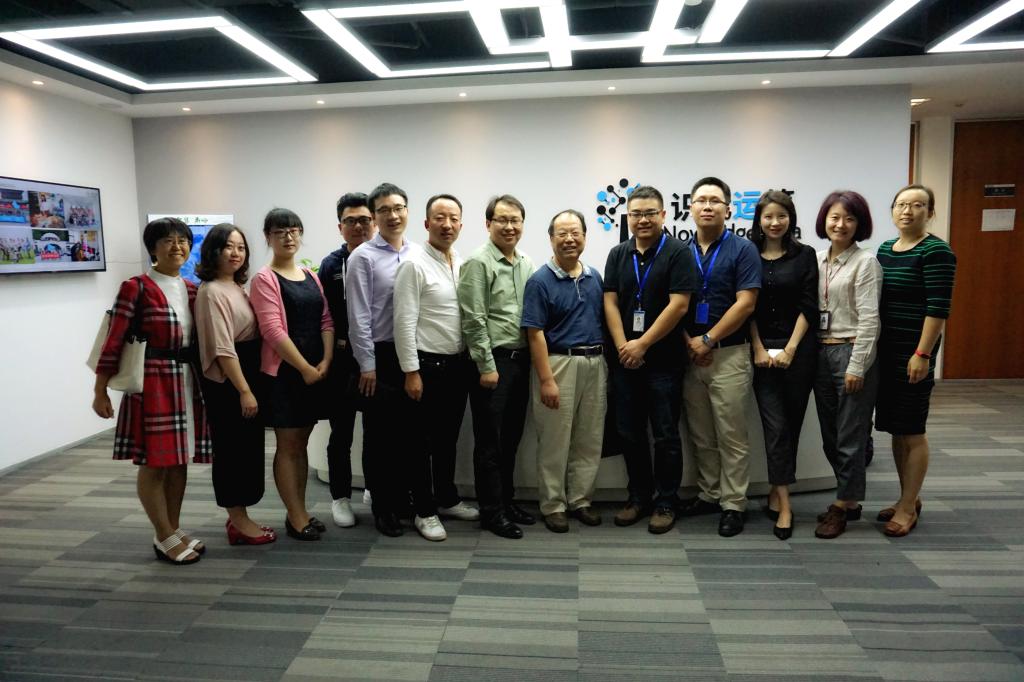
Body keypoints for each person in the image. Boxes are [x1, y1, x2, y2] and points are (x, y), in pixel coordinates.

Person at [92, 217, 211, 564]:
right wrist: (100, 390)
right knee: (155, 462)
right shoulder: (136, 287)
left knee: (179, 460)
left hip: (186, 380)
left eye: (183, 240)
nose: (177, 247)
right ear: (152, 248)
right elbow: (113, 340)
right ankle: (163, 533)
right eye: (168, 240)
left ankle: (172, 529)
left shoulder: (192, 289)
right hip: (153, 382)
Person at [603, 185, 697, 534]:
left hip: (664, 362)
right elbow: (610, 302)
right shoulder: (618, 253)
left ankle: (666, 501)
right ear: (628, 217)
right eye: (635, 214)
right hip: (625, 361)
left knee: (665, 435)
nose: (642, 220)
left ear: (663, 215)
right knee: (629, 432)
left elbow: (680, 305)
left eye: (649, 213)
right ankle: (638, 497)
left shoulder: (678, 252)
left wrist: (641, 344)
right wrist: (623, 346)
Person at [394, 193, 479, 541]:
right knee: (421, 444)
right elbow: (403, 322)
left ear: (461, 224)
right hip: (426, 367)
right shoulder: (413, 264)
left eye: (453, 218)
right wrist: (411, 372)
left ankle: (446, 498)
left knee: (447, 440)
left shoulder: (461, 262)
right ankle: (424, 510)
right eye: (440, 218)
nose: (447, 225)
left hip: (457, 366)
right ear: (427, 223)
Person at [679, 177, 761, 537]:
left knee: (731, 435)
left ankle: (733, 503)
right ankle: (710, 494)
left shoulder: (743, 249)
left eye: (715, 200)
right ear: (690, 208)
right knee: (700, 433)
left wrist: (708, 340)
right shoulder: (681, 251)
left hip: (728, 354)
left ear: (728, 209)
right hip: (689, 355)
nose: (707, 206)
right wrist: (690, 342)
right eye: (701, 200)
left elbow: (746, 304)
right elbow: (672, 304)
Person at [875, 184, 956, 537]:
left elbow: (938, 308)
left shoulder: (936, 251)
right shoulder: (885, 249)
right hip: (886, 351)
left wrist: (922, 354)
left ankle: (908, 508)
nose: (907, 211)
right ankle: (906, 496)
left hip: (914, 353)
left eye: (917, 205)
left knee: (912, 429)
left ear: (930, 212)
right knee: (896, 428)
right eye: (901, 204)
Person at [250, 208, 334, 541]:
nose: (288, 237)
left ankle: (298, 511)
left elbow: (326, 320)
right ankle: (296, 515)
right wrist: (304, 368)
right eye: (280, 231)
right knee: (288, 445)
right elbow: (272, 330)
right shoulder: (264, 279)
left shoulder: (310, 275)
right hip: (285, 375)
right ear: (268, 237)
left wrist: (326, 360)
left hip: (315, 371)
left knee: (302, 442)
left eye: (294, 230)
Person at [522, 210, 607, 533]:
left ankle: (581, 500)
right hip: (558, 364)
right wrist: (546, 380)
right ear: (551, 239)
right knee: (555, 441)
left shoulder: (594, 277)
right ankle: (554, 504)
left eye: (576, 233)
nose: (570, 239)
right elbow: (535, 333)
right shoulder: (539, 281)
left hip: (595, 363)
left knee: (589, 438)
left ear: (585, 237)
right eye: (562, 234)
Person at [458, 195, 536, 539]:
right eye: (502, 220)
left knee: (511, 438)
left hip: (521, 361)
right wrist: (486, 366)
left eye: (515, 220)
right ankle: (492, 512)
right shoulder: (478, 262)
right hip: (493, 363)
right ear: (488, 223)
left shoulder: (525, 262)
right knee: (489, 442)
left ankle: (506, 501)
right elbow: (473, 319)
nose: (509, 226)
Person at [346, 182, 420, 537]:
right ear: (375, 217)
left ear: (408, 211)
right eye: (385, 210)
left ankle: (402, 498)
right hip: (379, 355)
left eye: (399, 208)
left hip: (412, 354)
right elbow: (358, 315)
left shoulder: (417, 253)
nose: (393, 215)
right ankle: (383, 506)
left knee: (407, 433)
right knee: (379, 436)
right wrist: (368, 365)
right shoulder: (362, 257)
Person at [195, 223, 275, 545]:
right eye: (228, 246)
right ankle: (238, 521)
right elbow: (223, 348)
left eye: (241, 247)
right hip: (230, 383)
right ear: (213, 250)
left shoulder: (236, 286)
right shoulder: (211, 291)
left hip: (247, 375)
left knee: (247, 450)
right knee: (231, 451)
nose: (235, 253)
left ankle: (240, 517)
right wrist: (244, 390)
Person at [747, 191, 818, 540]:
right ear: (758, 220)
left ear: (791, 219)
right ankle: (786, 507)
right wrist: (759, 347)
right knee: (775, 428)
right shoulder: (748, 254)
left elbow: (809, 305)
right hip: (760, 353)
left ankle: (777, 492)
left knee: (791, 426)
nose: (775, 223)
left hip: (798, 352)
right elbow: (745, 306)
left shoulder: (805, 255)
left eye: (782, 216)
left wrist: (790, 349)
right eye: (768, 217)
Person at [812, 191, 882, 539]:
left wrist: (858, 365)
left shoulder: (865, 262)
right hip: (820, 353)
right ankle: (849, 500)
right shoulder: (816, 260)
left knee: (850, 435)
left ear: (860, 224)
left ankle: (842, 505)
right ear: (824, 220)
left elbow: (870, 320)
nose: (841, 224)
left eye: (849, 219)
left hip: (851, 350)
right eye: (835, 217)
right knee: (830, 434)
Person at [319, 192, 376, 529]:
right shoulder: (331, 265)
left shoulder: (386, 258)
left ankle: (373, 487)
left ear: (374, 222)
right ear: (340, 226)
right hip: (342, 361)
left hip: (377, 360)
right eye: (350, 221)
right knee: (341, 433)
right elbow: (324, 316)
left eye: (364, 220)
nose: (358, 226)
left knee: (376, 431)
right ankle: (340, 496)